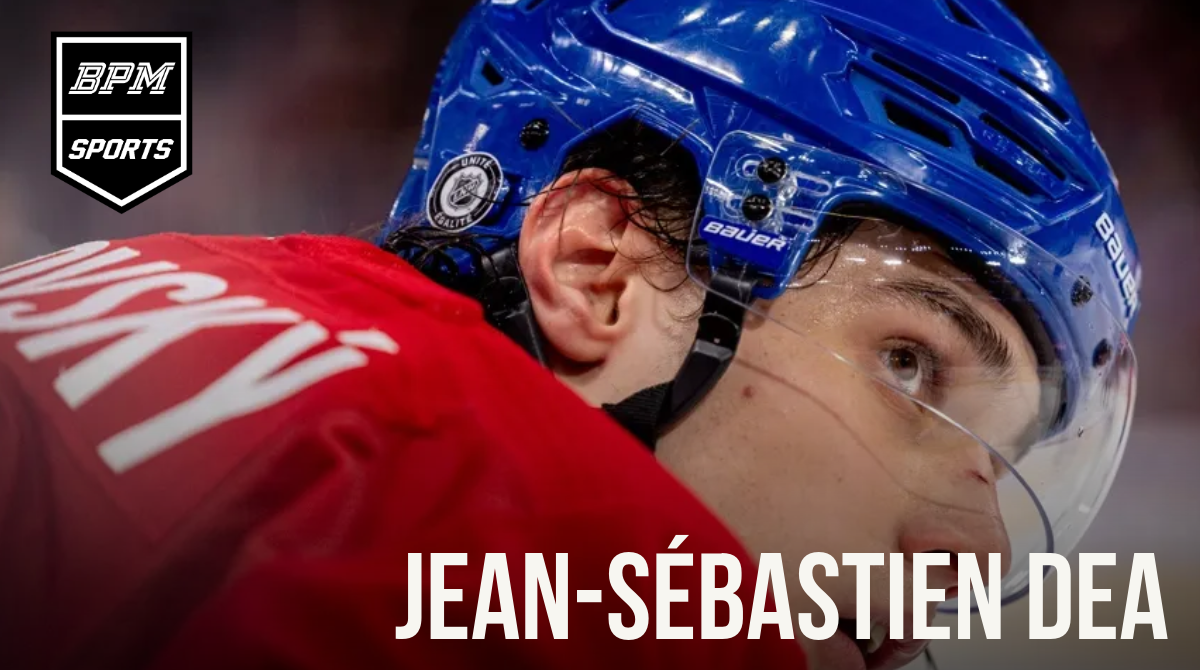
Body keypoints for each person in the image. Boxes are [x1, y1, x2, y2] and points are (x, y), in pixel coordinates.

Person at [0, 2, 1141, 670]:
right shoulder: (550, 564)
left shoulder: (147, 275)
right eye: (911, 365)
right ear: (598, 272)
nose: (974, 550)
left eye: (999, 455)